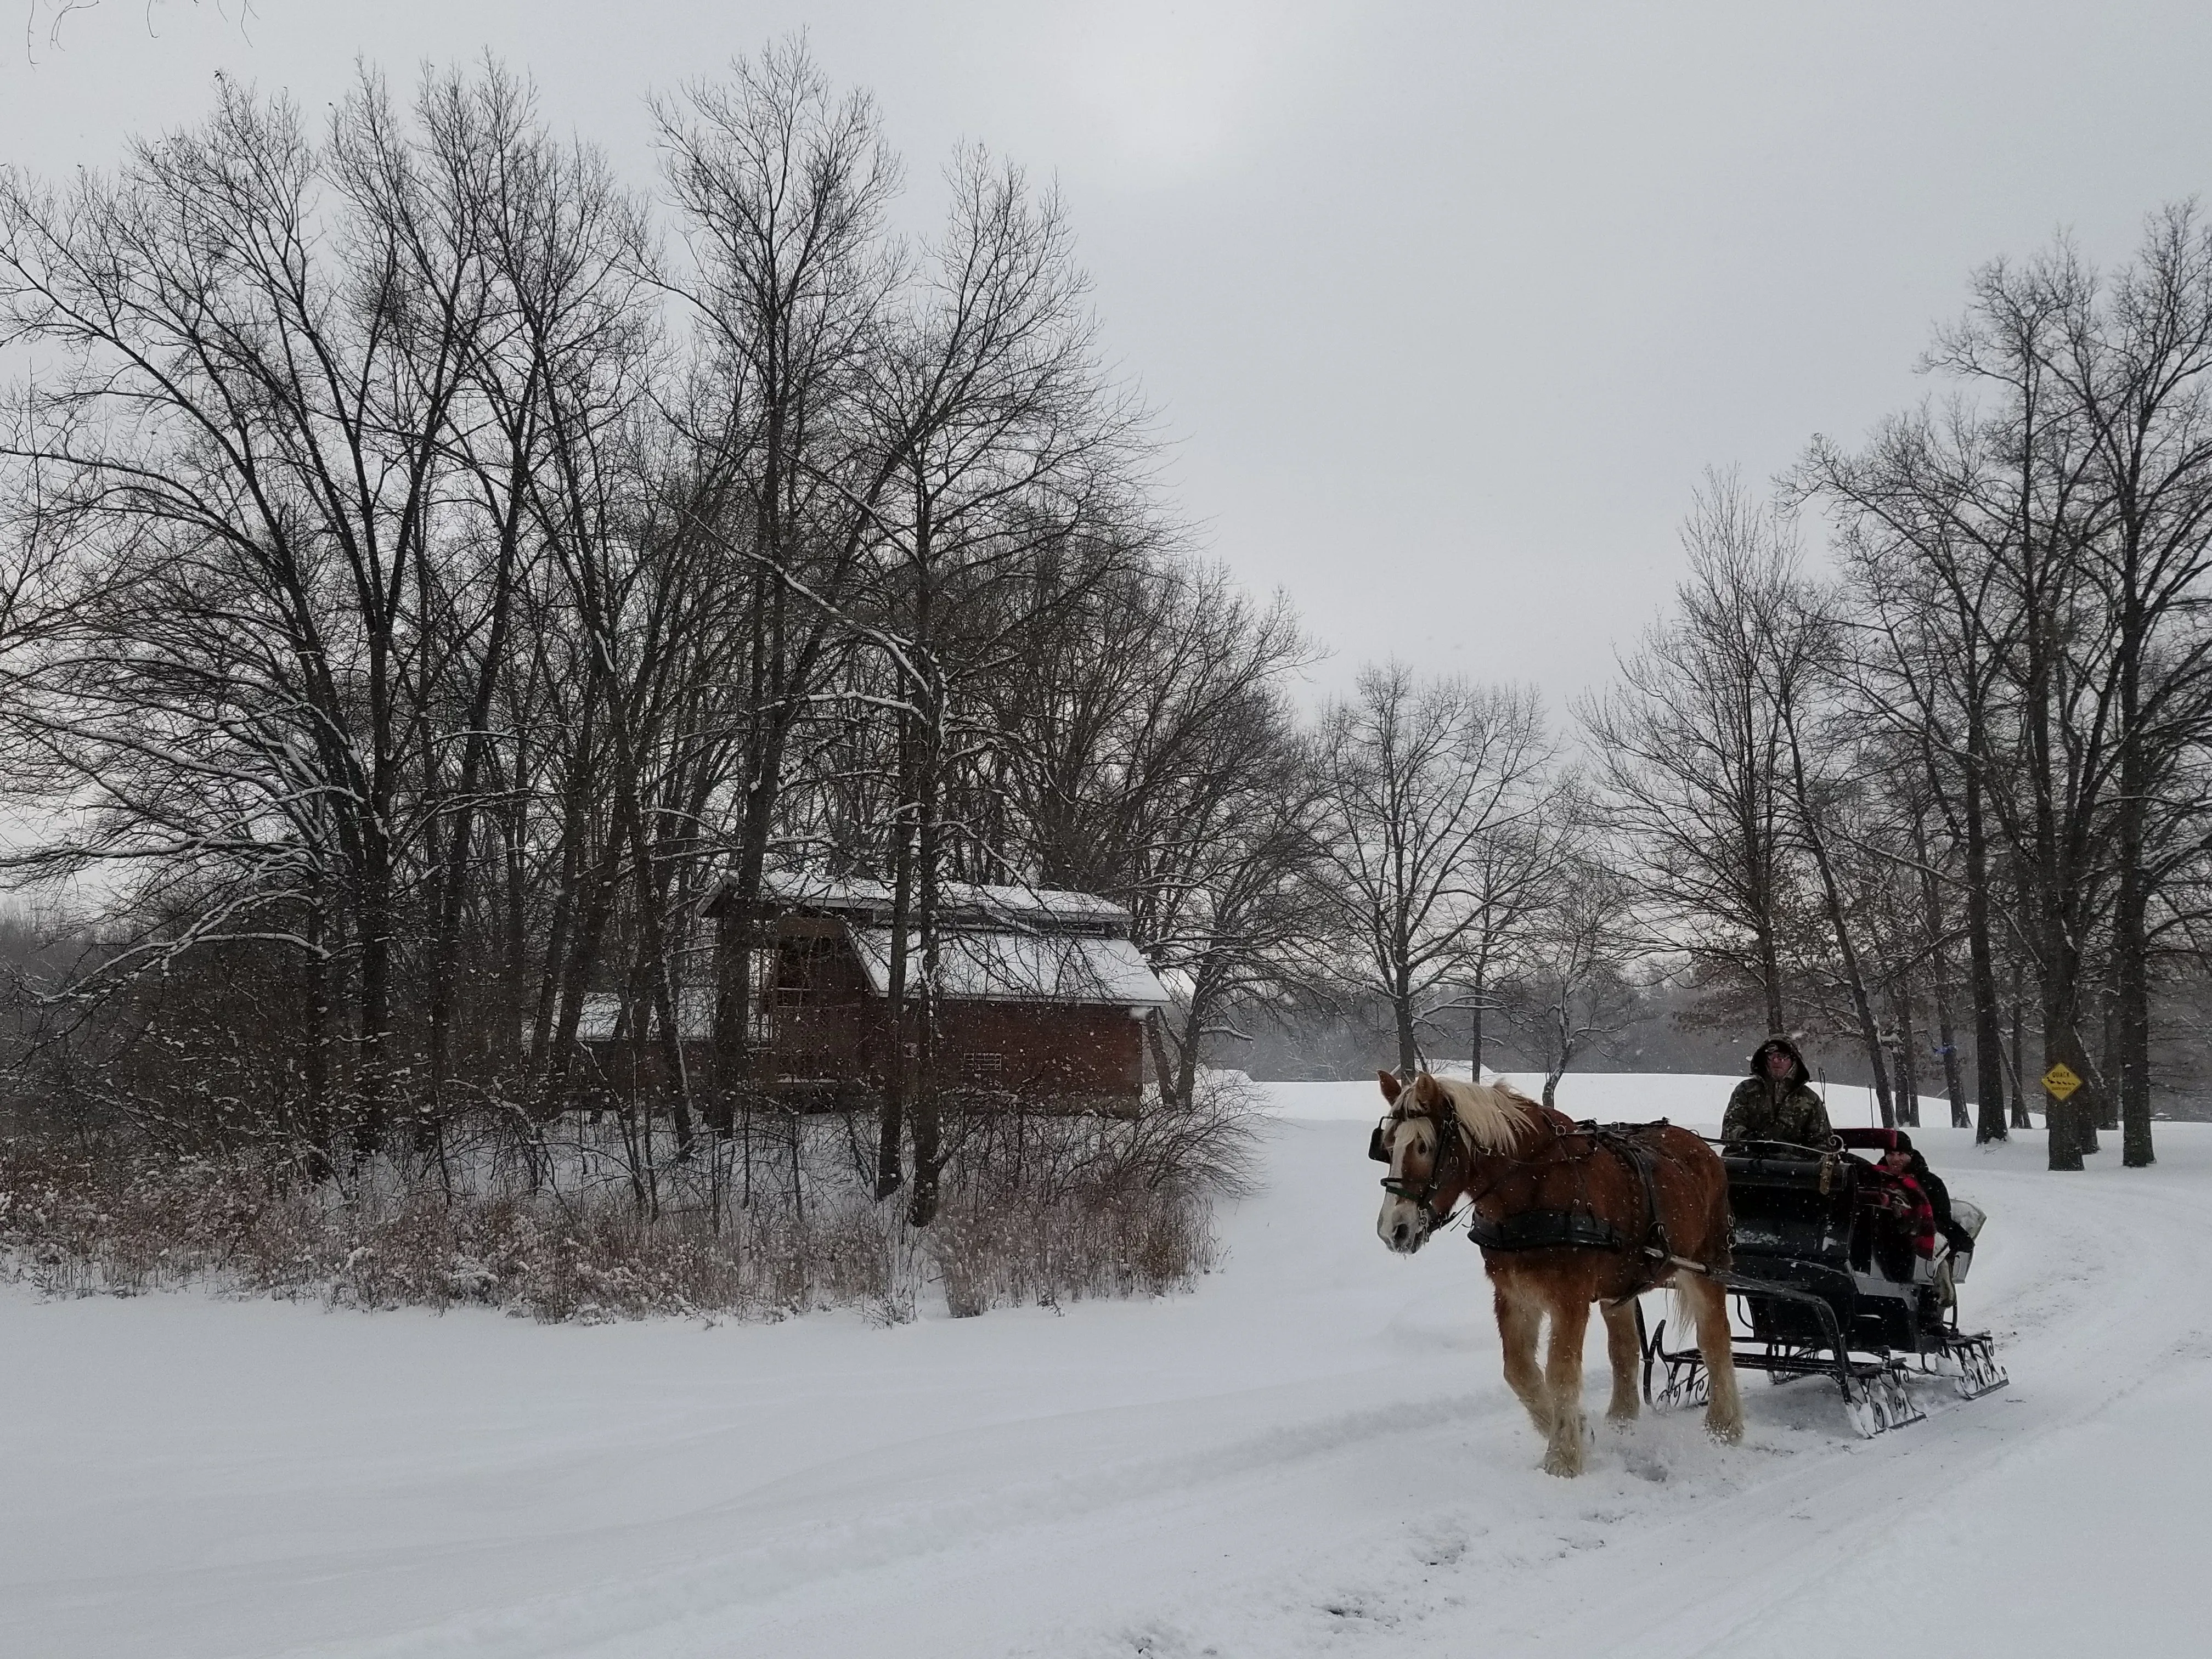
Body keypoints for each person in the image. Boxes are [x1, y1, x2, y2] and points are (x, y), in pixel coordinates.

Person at [1722, 1036, 1833, 1150]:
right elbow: (1729, 1128)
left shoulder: (1809, 1100)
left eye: (1782, 1056)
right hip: (1744, 1162)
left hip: (1795, 1166)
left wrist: (1791, 1151)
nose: (1776, 1060)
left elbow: (1823, 1142)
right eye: (1771, 1056)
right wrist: (1747, 1138)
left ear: (1793, 1060)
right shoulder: (1746, 1090)